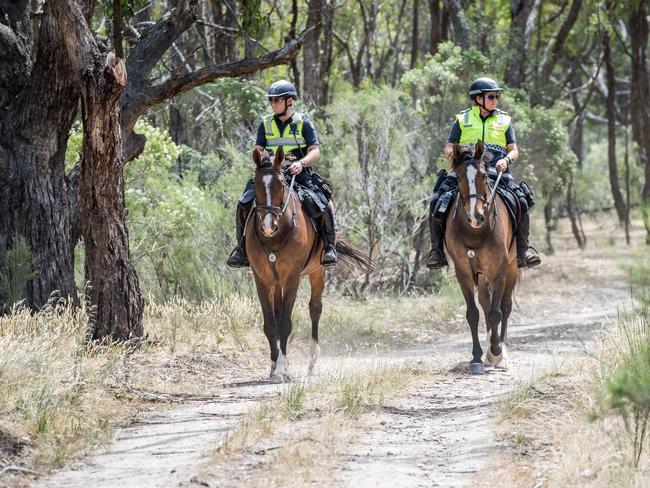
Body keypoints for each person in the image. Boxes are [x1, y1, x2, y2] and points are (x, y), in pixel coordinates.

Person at [426, 77, 541, 269]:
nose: (495, 100)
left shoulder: (504, 120)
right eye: (491, 96)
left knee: (521, 200)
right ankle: (436, 251)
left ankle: (524, 250)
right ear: (478, 98)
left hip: (497, 172)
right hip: (466, 171)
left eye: (496, 96)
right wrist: (458, 156)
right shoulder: (462, 119)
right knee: (437, 199)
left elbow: (514, 149)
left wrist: (506, 159)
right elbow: (448, 147)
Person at [226, 79, 338, 268]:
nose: (273, 104)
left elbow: (315, 151)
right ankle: (241, 249)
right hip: (271, 174)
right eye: (271, 100)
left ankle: (329, 247)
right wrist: (266, 162)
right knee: (243, 202)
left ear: (289, 101)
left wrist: (301, 164)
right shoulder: (265, 124)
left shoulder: (303, 123)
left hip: (299, 173)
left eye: (277, 100)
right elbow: (258, 150)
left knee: (324, 202)